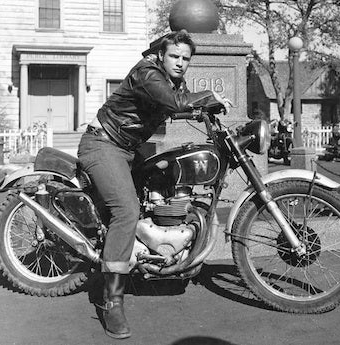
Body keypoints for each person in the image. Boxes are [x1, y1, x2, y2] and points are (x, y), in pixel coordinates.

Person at [77, 30, 231, 339]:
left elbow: (178, 104)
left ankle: (137, 254)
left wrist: (204, 110)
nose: (180, 63)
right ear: (161, 55)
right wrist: (208, 97)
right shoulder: (147, 72)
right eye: (175, 56)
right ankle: (112, 301)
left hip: (128, 148)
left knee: (156, 190)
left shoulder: (172, 81)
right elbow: (173, 102)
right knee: (126, 210)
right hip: (103, 145)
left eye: (186, 59)